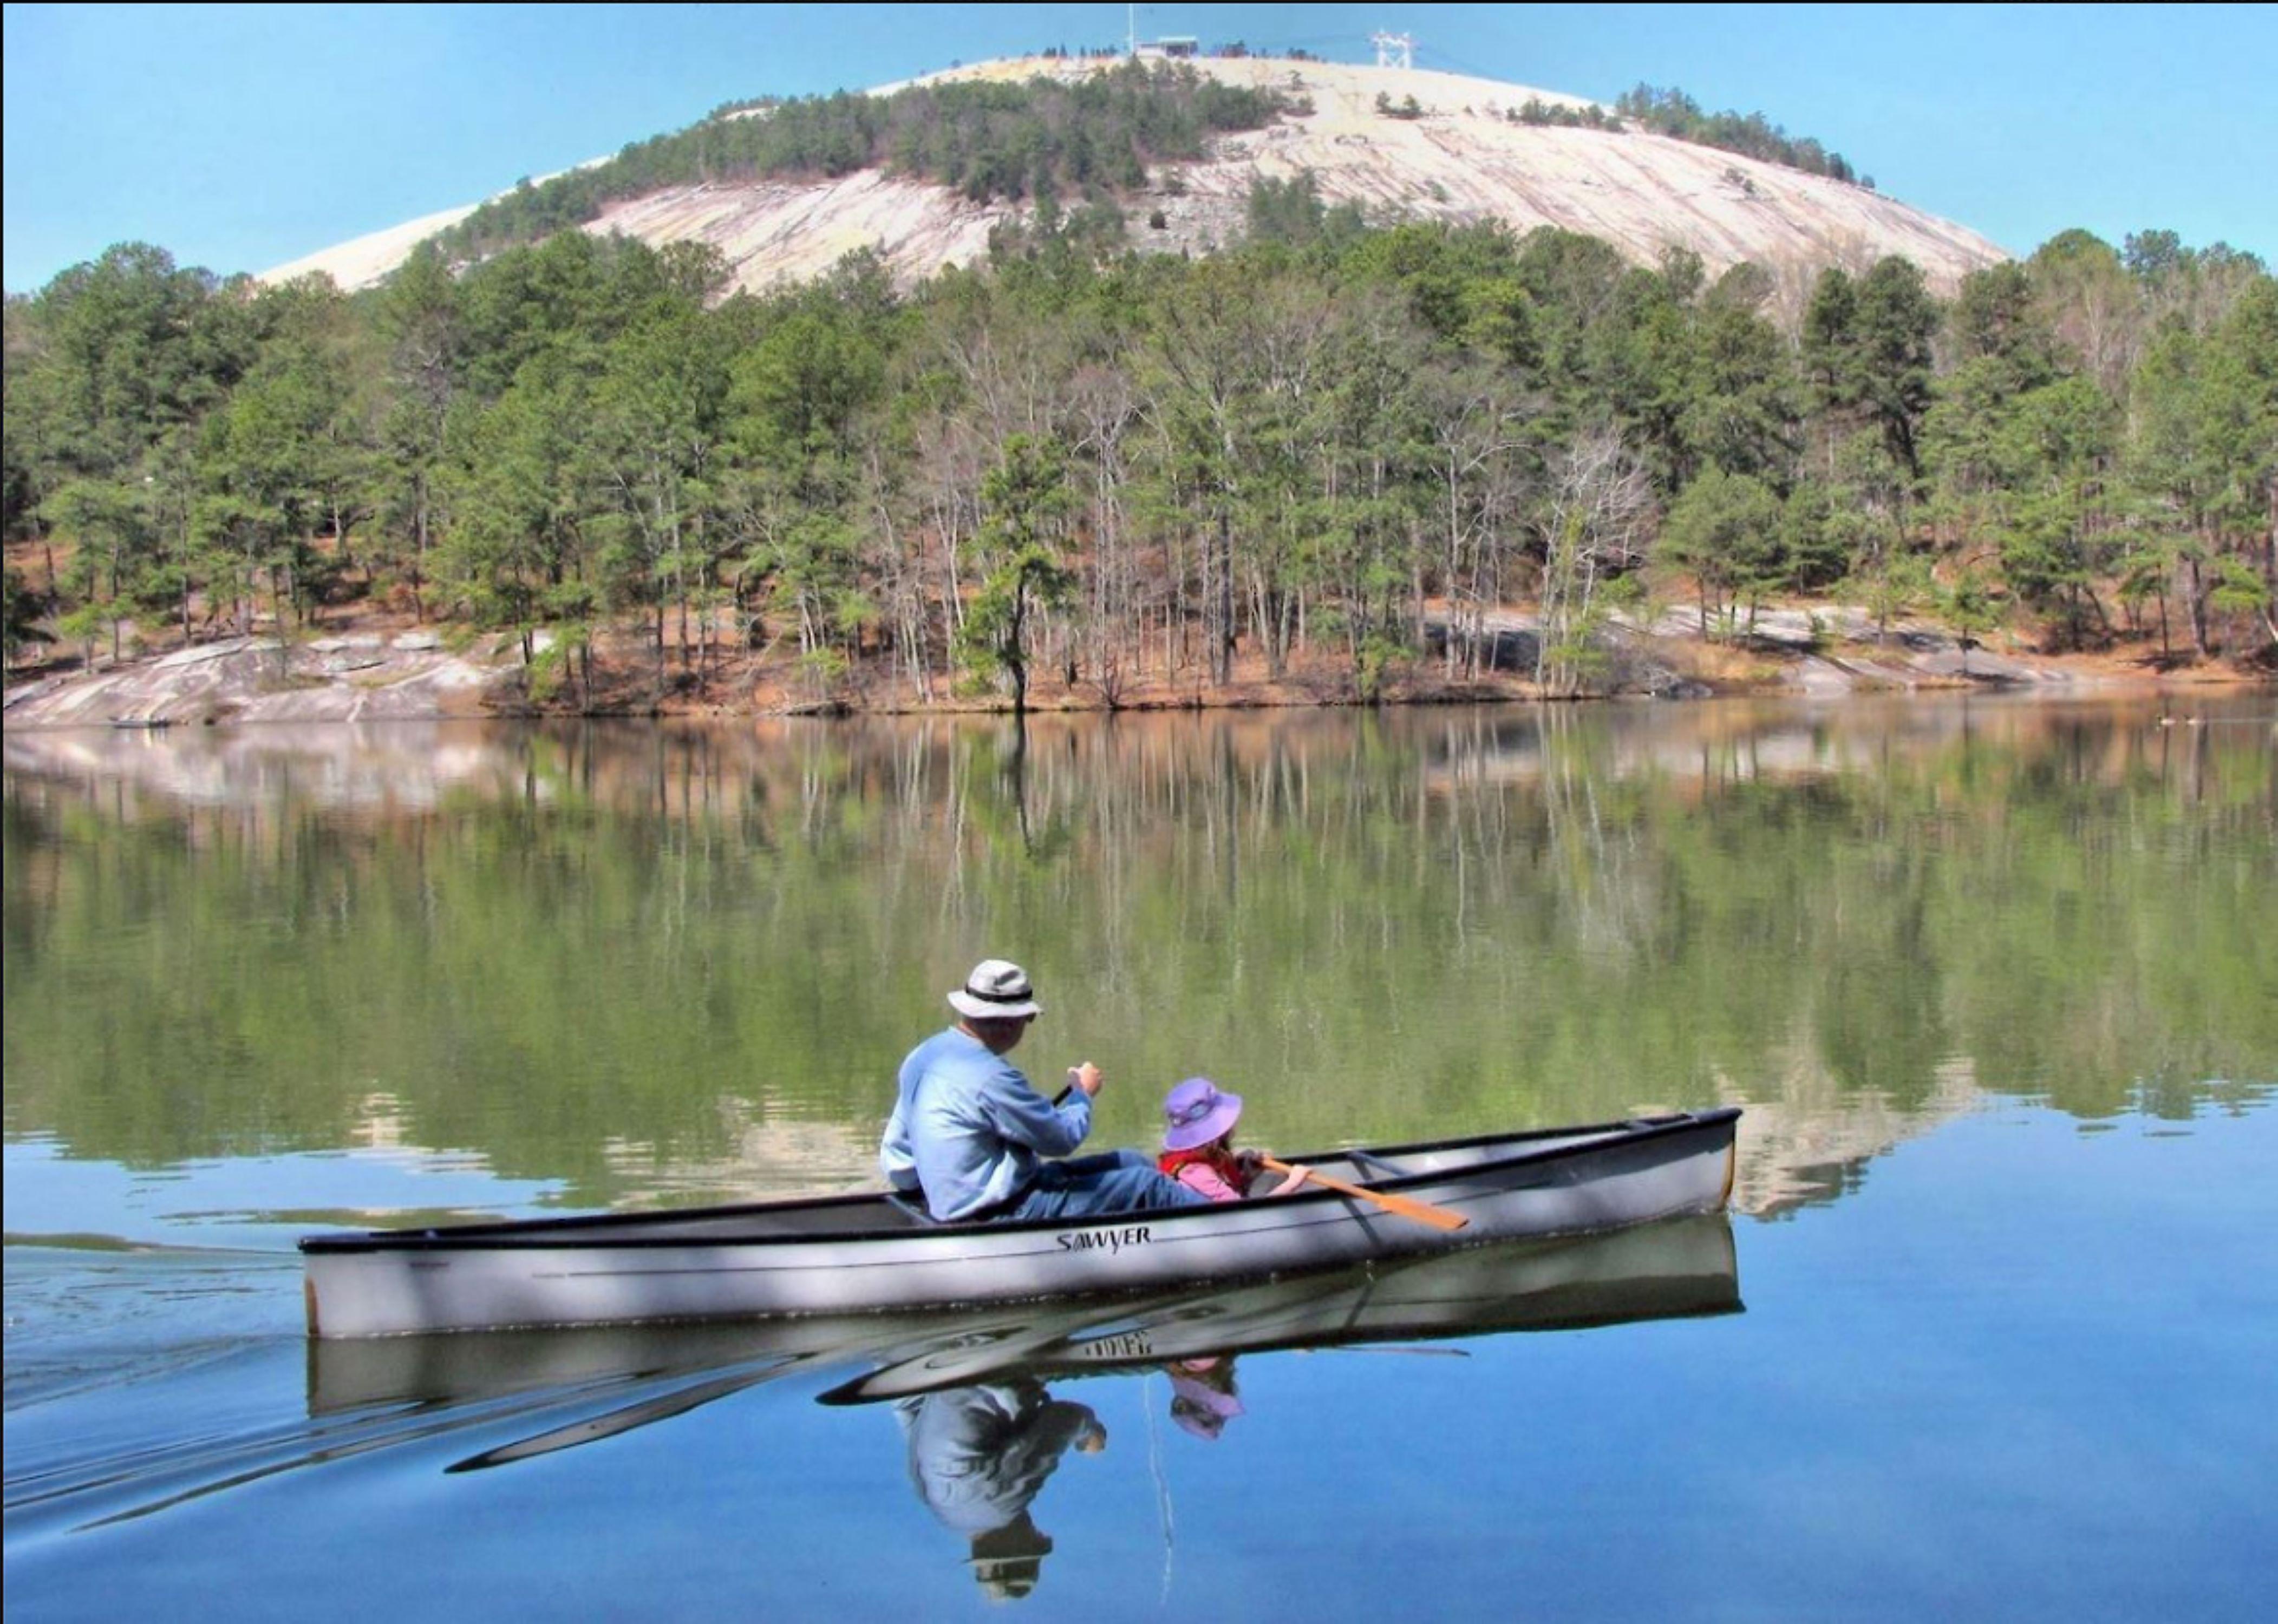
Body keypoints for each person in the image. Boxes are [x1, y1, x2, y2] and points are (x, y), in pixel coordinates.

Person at [882, 959, 1209, 1222]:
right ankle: (1227, 1221)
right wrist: (1082, 1094)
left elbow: (898, 1150)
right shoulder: (991, 1077)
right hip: (998, 1211)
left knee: (1129, 1160)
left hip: (981, 1195)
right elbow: (1060, 1140)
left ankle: (1201, 1206)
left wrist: (931, 1191)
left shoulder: (923, 1056)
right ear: (1011, 1022)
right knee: (1146, 1184)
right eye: (1028, 1020)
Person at [895, 1378, 1107, 1601]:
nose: (1038, 1532)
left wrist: (1090, 1436)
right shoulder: (934, 1500)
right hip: (938, 1371)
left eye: (1034, 1541)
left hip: (988, 1365)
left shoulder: (1001, 1506)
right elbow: (907, 1406)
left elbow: (1066, 1417)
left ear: (1014, 1546)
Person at [1157, 1076, 1311, 1201]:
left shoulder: (1212, 1156)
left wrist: (1249, 1170)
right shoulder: (1195, 1171)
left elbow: (1233, 1184)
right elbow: (1242, 1211)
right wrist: (1294, 1182)